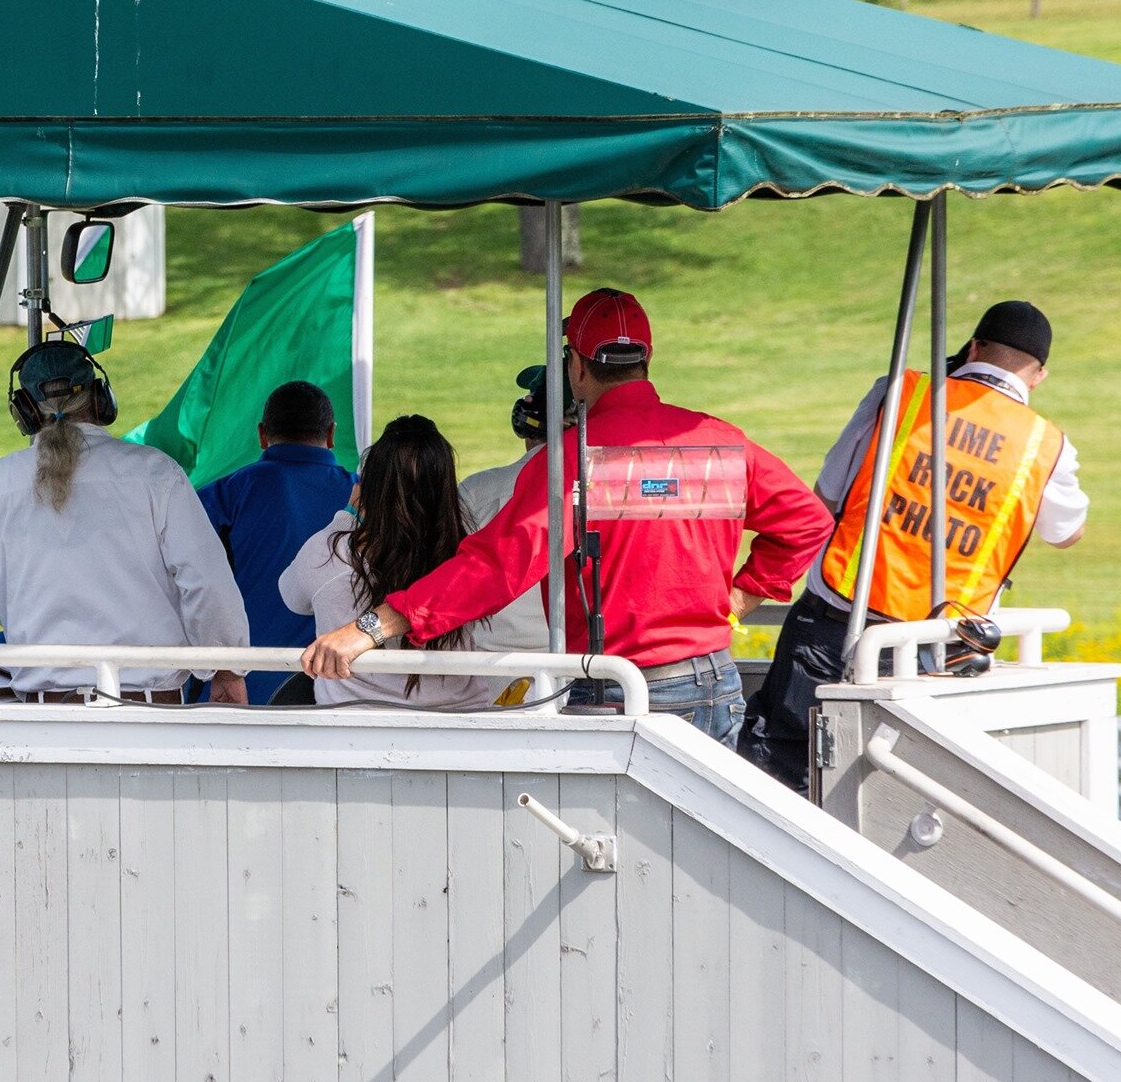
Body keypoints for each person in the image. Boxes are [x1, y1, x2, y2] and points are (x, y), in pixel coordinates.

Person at [302, 288, 833, 743]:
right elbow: (807, 521)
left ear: (576, 367)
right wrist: (742, 594)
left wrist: (374, 625)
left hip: (622, 688)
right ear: (647, 360)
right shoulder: (718, 442)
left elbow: (498, 565)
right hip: (715, 680)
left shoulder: (574, 459)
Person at [740, 300, 1088, 792]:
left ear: (972, 348)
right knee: (891, 796)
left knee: (776, 774)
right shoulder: (1046, 445)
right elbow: (1066, 532)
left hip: (833, 623)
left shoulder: (901, 392)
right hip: (935, 651)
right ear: (1038, 376)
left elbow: (829, 492)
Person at [0, 339, 251, 703]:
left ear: (25, 411)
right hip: (149, 713)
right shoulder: (157, 476)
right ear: (100, 399)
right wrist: (226, 671)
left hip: (44, 720)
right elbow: (206, 583)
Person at [279, 415, 497, 710]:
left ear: (370, 486)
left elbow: (292, 597)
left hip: (354, 727)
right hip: (461, 720)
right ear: (445, 489)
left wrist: (346, 516)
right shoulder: (467, 556)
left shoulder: (330, 551)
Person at [197, 381, 356, 703]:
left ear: (262, 434)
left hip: (240, 684)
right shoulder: (366, 496)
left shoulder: (222, 496)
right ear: (331, 434)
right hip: (346, 685)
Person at [457, 364, 552, 656]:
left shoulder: (476, 491)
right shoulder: (618, 491)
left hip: (492, 669)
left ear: (526, 421)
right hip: (592, 666)